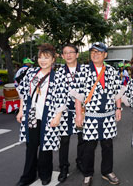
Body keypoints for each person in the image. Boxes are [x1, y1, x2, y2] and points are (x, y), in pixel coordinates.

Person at [71, 42, 122, 186]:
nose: (95, 54)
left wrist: (118, 108)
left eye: (99, 52)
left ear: (105, 55)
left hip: (108, 114)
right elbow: (78, 96)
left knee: (107, 145)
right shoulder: (83, 71)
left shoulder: (112, 71)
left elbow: (117, 92)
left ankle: (107, 171)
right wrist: (78, 114)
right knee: (89, 146)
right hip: (91, 115)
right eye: (93, 52)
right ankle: (88, 174)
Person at [15, 44, 65, 186]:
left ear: (53, 59)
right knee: (31, 146)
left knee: (45, 147)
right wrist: (20, 110)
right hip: (31, 115)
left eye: (46, 58)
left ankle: (45, 174)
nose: (42, 60)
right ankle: (27, 176)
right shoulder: (32, 74)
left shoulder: (57, 76)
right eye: (40, 57)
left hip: (48, 116)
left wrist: (58, 116)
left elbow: (62, 98)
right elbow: (24, 94)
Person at [56, 44, 86, 182]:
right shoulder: (58, 73)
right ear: (62, 56)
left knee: (82, 138)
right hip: (65, 111)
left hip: (82, 111)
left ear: (77, 54)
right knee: (65, 140)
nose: (68, 55)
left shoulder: (86, 71)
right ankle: (63, 167)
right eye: (65, 53)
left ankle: (80, 161)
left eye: (71, 52)